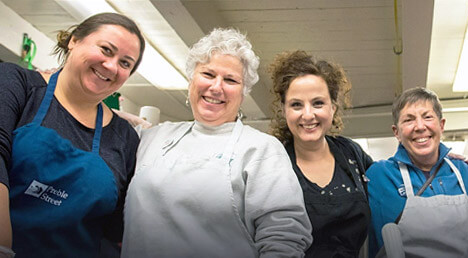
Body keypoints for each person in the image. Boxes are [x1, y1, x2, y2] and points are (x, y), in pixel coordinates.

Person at [121, 28, 312, 257]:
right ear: (192, 80)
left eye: (230, 80)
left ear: (243, 93)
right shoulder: (152, 138)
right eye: (208, 75)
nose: (216, 87)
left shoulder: (261, 149)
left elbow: (284, 237)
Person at [0, 13, 144, 257]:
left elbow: (115, 228)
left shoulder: (125, 138)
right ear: (74, 41)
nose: (111, 66)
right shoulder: (17, 84)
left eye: (125, 63)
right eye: (106, 50)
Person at [268, 50, 372, 257]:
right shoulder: (272, 160)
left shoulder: (351, 153)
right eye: (296, 104)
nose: (308, 115)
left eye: (318, 103)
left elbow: (390, 178)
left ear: (333, 107)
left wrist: (437, 158)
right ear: (284, 109)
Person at [367, 87, 468, 257]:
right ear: (396, 132)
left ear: (441, 125)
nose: (420, 127)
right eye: (408, 120)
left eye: (427, 117)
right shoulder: (379, 176)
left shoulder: (466, 172)